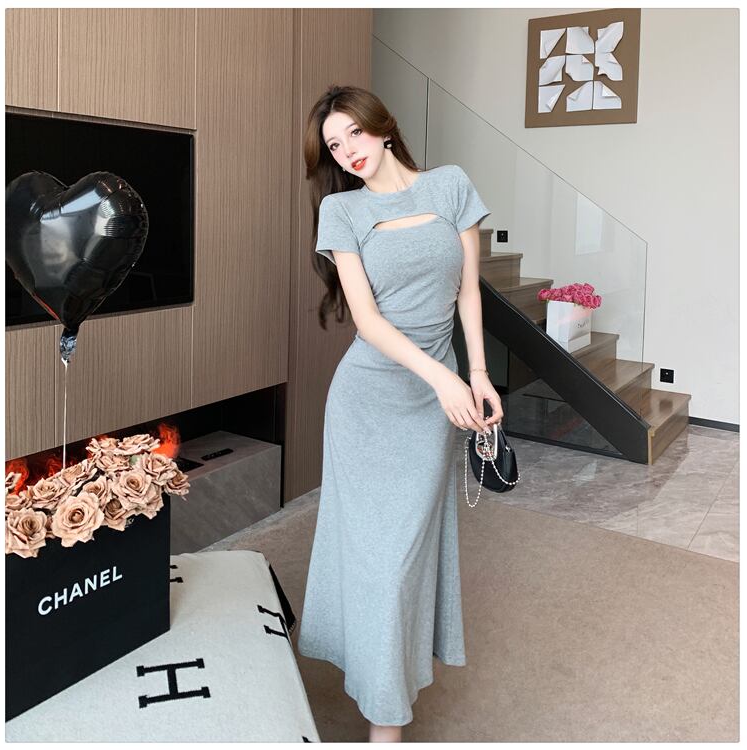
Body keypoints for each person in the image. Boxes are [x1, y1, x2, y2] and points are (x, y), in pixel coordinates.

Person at [297, 84, 503, 743]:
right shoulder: (341, 209)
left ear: (382, 127)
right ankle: (384, 721)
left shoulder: (450, 186)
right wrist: (445, 379)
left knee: (405, 558)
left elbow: (468, 292)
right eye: (334, 146)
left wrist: (476, 374)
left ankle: (382, 693)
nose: (347, 151)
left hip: (433, 403)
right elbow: (368, 321)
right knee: (376, 562)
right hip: (368, 400)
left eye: (353, 133)